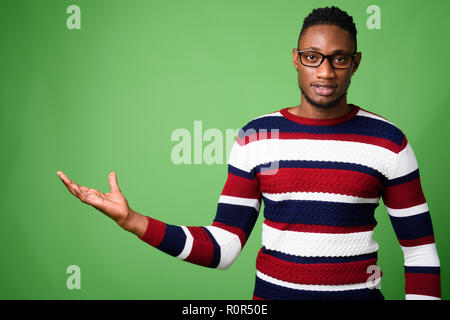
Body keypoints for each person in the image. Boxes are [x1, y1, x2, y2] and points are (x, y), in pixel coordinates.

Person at [57, 6, 441, 300]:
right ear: (296, 58)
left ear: (355, 63)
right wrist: (132, 220)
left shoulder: (388, 141)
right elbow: (222, 247)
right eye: (313, 56)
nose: (325, 72)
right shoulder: (257, 136)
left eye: (339, 58)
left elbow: (421, 254)